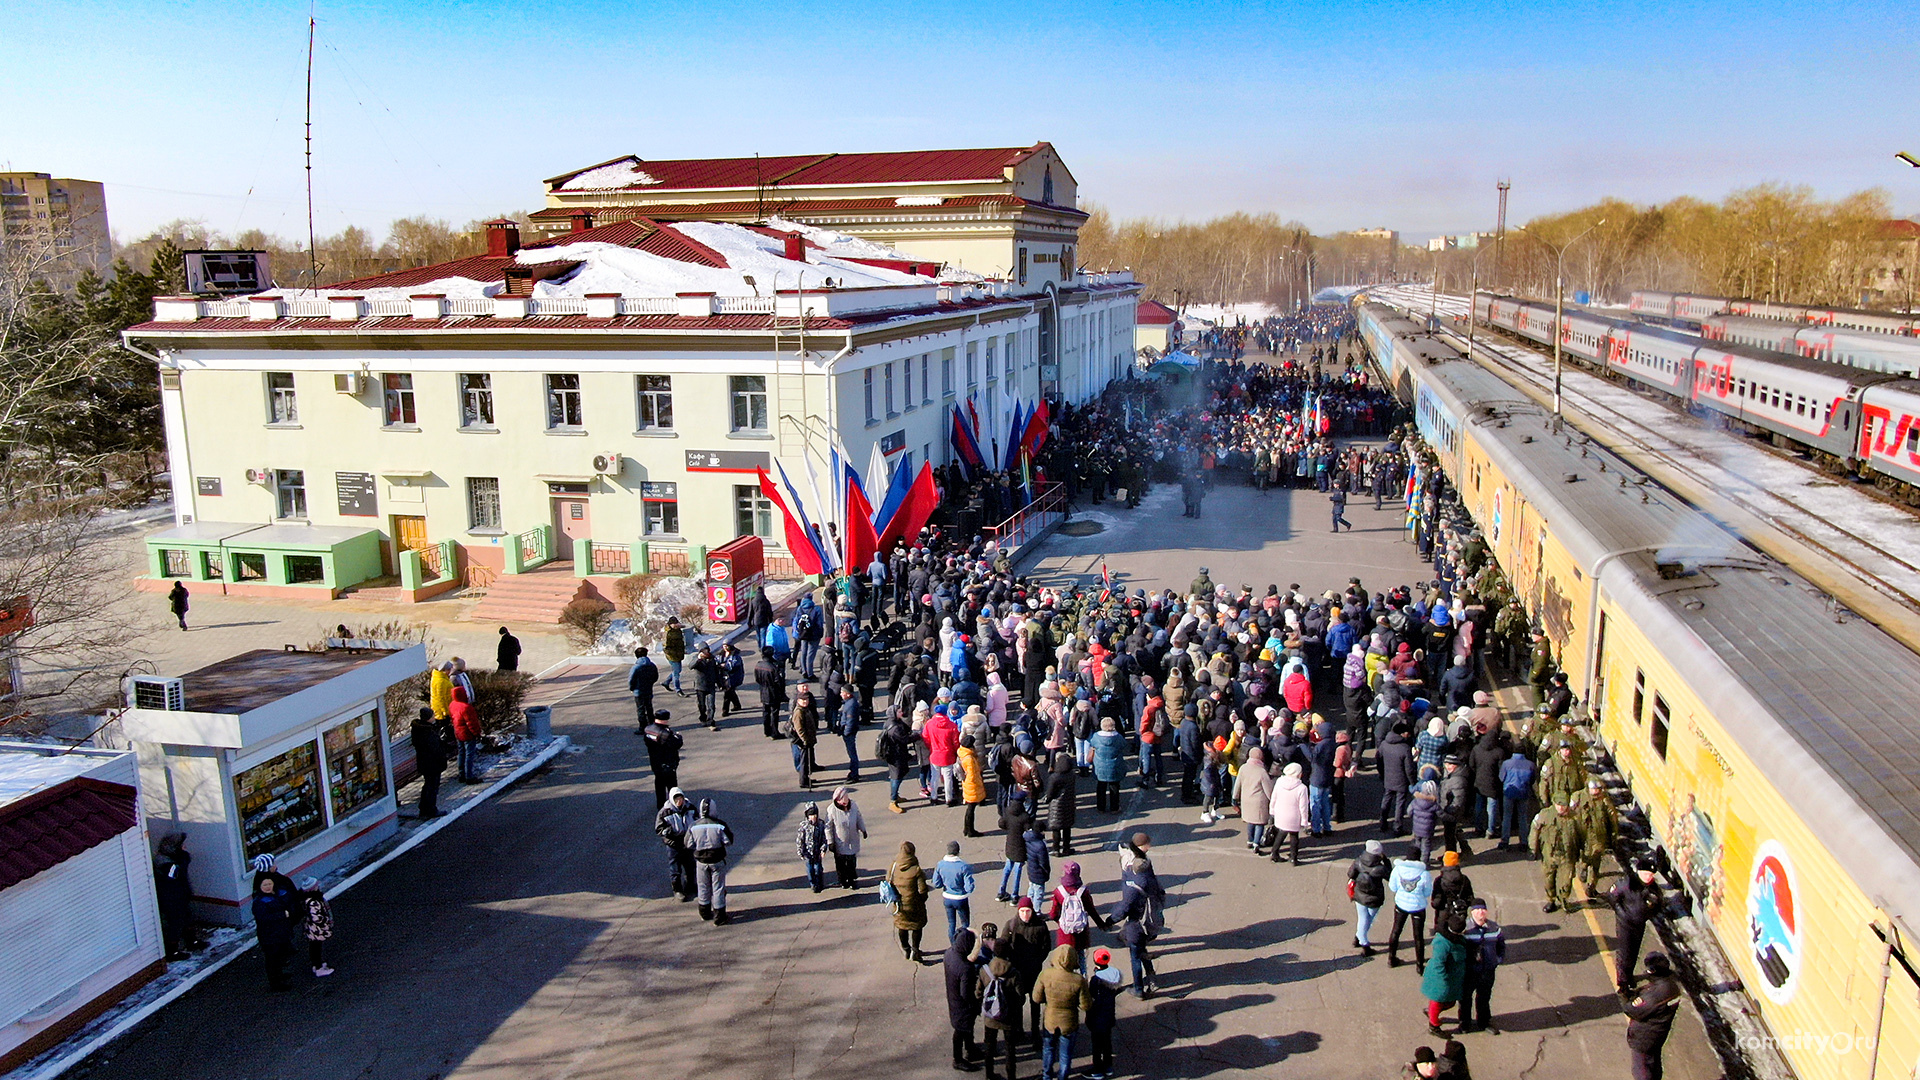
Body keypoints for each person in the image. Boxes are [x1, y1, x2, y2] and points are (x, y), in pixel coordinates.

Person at [1031, 945, 1091, 1080]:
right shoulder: (1078, 980)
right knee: (1065, 1055)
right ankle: (1062, 1077)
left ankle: (1047, 1076)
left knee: (1048, 1049)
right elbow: (1086, 1005)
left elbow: (1036, 998)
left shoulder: (1046, 974)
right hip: (1069, 1022)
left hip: (1050, 1020)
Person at [1608, 857, 1664, 991]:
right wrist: (1622, 913)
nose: (1649, 877)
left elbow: (1659, 906)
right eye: (1646, 874)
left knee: (1634, 953)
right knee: (1624, 954)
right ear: (1639, 872)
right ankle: (1622, 983)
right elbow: (1612, 896)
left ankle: (1629, 975)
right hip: (1625, 924)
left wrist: (1647, 915)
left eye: (1651, 875)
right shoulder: (1628, 883)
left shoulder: (1653, 890)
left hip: (1639, 924)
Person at [1624, 953, 1682, 1080]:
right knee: (1653, 1064)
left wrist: (1628, 998)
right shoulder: (1672, 984)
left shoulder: (1656, 994)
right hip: (1659, 1033)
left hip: (1645, 1036)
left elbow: (1632, 1010)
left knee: (1641, 1070)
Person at [1110, 857, 1161, 998]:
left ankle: (1139, 989)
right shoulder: (1151, 882)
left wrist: (1110, 920)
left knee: (1135, 957)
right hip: (1148, 924)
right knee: (1142, 949)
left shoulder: (1135, 887)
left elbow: (1124, 908)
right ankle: (1151, 977)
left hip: (1135, 925)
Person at [978, 930, 1024, 1080]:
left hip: (990, 1015)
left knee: (989, 1046)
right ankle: (1011, 1076)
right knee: (1010, 1049)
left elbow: (978, 993)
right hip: (1008, 1015)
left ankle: (989, 1074)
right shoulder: (1014, 972)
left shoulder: (985, 970)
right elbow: (1020, 996)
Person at [1459, 899, 1506, 1033]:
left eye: (1483, 909)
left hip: (1487, 971)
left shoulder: (1494, 928)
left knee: (1484, 997)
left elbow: (1501, 945)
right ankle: (1465, 1023)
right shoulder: (1465, 929)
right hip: (1469, 971)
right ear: (1472, 912)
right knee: (1465, 998)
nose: (1481, 912)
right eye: (1477, 909)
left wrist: (1497, 960)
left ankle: (1484, 1022)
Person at [687, 797, 735, 924]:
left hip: (701, 862)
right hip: (717, 861)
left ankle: (704, 913)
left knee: (703, 887)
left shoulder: (693, 826)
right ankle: (719, 917)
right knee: (718, 888)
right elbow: (728, 841)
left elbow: (688, 843)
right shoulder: (720, 825)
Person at [1388, 843, 1433, 970]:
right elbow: (1427, 892)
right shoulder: (1424, 874)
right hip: (1417, 907)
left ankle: (1391, 958)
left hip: (1401, 905)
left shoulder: (1397, 870)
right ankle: (1419, 965)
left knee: (1396, 931)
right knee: (1418, 936)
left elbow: (1392, 887)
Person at [1529, 800, 1580, 913]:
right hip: (1549, 854)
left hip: (1567, 855)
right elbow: (1535, 829)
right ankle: (1551, 900)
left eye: (1564, 805)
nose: (1561, 808)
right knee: (1549, 879)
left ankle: (1564, 899)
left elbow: (1581, 834)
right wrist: (1533, 848)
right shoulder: (1545, 814)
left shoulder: (1575, 817)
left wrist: (1582, 852)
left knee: (1566, 880)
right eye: (1559, 805)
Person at [1423, 914, 1469, 1036]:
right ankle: (1434, 1025)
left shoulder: (1455, 938)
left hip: (1452, 978)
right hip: (1442, 979)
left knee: (1449, 1002)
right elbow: (1439, 963)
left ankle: (1432, 1012)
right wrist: (1443, 980)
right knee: (1438, 1001)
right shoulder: (1443, 943)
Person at [946, 926, 984, 1071]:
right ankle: (958, 1059)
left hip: (952, 998)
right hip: (962, 1005)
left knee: (965, 1027)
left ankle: (971, 1049)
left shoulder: (950, 953)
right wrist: (975, 1005)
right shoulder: (965, 967)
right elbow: (966, 993)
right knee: (961, 1029)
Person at [250, 871, 297, 990]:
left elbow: (289, 902)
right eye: (265, 885)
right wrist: (282, 914)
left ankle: (280, 975)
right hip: (269, 936)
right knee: (272, 959)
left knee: (280, 956)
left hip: (280, 933)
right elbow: (262, 918)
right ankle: (275, 983)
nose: (268, 887)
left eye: (269, 884)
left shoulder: (277, 894)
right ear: (260, 886)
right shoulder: (260, 901)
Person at [153, 833, 196, 960]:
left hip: (180, 895)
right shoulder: (163, 861)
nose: (184, 847)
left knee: (187, 916)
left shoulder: (173, 858)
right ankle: (172, 951)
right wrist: (183, 858)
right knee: (175, 923)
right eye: (181, 846)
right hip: (171, 898)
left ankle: (191, 941)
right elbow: (174, 874)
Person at [887, 841, 932, 961]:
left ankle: (906, 949)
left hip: (899, 904)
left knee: (902, 926)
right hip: (914, 904)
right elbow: (922, 889)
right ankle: (915, 949)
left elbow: (888, 881)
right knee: (917, 927)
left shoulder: (894, 866)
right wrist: (923, 899)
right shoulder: (916, 869)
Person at [1575, 779, 1619, 896]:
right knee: (1585, 857)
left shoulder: (1604, 800)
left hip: (1599, 838)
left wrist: (1614, 834)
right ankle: (1583, 868)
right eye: (1593, 789)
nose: (1595, 792)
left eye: (1597, 789)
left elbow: (1612, 816)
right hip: (1584, 836)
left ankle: (1591, 887)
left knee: (1596, 863)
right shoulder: (1579, 797)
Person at [1348, 838, 1391, 956]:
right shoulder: (1380, 868)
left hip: (1359, 895)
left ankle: (1358, 938)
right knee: (1368, 920)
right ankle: (1364, 944)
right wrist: (1387, 862)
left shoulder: (1358, 861)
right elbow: (1390, 877)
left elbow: (1350, 874)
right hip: (1374, 898)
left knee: (1362, 918)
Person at [1086, 947, 1123, 1079]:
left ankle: (1097, 1070)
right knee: (1107, 1042)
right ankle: (1108, 1066)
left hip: (1097, 1017)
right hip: (1109, 1015)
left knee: (1096, 1045)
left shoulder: (1096, 980)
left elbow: (1092, 995)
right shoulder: (1115, 974)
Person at [654, 787, 696, 901]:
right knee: (675, 868)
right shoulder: (664, 812)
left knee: (690, 865)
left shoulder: (690, 808)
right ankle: (677, 889)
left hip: (687, 842)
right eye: (676, 799)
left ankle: (690, 885)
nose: (679, 802)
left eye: (680, 799)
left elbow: (697, 820)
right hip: (673, 845)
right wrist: (667, 832)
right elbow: (659, 828)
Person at [933, 840, 978, 944]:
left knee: (951, 923)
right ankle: (966, 943)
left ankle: (953, 945)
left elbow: (936, 884)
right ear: (958, 851)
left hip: (947, 897)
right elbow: (969, 888)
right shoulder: (963, 866)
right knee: (965, 924)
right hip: (961, 898)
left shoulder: (940, 864)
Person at [825, 786, 867, 889]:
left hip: (852, 841)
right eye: (843, 802)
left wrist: (863, 829)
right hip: (840, 843)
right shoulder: (831, 810)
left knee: (852, 862)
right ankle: (843, 880)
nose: (846, 804)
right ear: (837, 800)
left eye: (846, 801)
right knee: (841, 864)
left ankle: (852, 879)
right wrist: (830, 842)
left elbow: (858, 818)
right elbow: (828, 827)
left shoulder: (853, 805)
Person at [409, 706, 448, 818]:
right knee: (432, 787)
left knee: (428, 786)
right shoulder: (427, 732)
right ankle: (430, 809)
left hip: (424, 763)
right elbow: (435, 748)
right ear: (428, 718)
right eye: (432, 716)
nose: (434, 717)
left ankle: (424, 808)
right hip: (432, 764)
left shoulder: (418, 729)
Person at [1268, 761, 1310, 865]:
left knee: (1281, 833)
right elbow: (1303, 807)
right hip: (1294, 816)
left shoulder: (1279, 782)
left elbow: (1274, 797)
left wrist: (1272, 811)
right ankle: (1293, 858)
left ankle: (1274, 853)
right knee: (1294, 836)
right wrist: (1305, 821)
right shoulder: (1302, 788)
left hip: (1280, 813)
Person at [1378, 722, 1417, 834]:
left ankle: (1383, 822)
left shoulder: (1384, 744)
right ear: (1402, 733)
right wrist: (1412, 782)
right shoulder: (1405, 748)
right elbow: (1409, 769)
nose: (1408, 735)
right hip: (1401, 780)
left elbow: (1379, 760)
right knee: (1400, 803)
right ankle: (1397, 827)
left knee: (1387, 799)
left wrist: (1382, 774)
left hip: (1388, 778)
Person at [997, 791, 1033, 902]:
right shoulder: (1024, 816)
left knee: (1007, 868)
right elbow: (1028, 831)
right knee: (1017, 870)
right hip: (1020, 846)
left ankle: (1001, 892)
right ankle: (1014, 895)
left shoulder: (1008, 811)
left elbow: (1001, 823)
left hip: (1010, 843)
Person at [642, 711, 681, 809]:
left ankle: (660, 806)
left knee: (659, 784)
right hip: (667, 763)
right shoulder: (665, 733)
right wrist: (678, 736)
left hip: (655, 762)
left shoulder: (648, 729)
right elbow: (677, 744)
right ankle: (674, 805)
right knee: (672, 786)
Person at [297, 876, 336, 977]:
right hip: (317, 930)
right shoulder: (314, 901)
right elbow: (317, 917)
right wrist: (326, 921)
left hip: (311, 929)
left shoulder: (307, 899)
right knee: (317, 948)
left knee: (314, 947)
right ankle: (319, 968)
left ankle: (316, 965)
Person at [880, 709, 916, 813]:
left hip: (896, 754)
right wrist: (917, 736)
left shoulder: (892, 722)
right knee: (896, 776)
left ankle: (895, 796)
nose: (902, 713)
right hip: (896, 755)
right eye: (899, 711)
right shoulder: (895, 727)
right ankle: (893, 801)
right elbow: (905, 739)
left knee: (899, 774)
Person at [1044, 751, 1079, 857]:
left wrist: (1047, 799)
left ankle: (1056, 848)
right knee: (1067, 827)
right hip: (1068, 803)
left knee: (1056, 828)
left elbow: (1050, 793)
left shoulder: (1055, 777)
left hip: (1056, 804)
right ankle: (1066, 848)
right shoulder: (1071, 775)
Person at [1089, 717, 1127, 814]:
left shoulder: (1096, 737)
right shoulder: (1118, 737)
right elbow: (1123, 745)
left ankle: (1100, 807)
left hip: (1100, 766)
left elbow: (1092, 744)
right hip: (1114, 765)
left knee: (1101, 786)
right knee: (1114, 786)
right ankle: (1114, 807)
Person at [448, 682, 482, 783]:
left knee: (461, 753)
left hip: (458, 732)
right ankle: (469, 777)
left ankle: (461, 774)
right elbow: (471, 723)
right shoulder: (466, 708)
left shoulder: (452, 705)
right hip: (467, 734)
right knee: (469, 755)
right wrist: (477, 733)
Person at [959, 733, 990, 837]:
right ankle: (970, 830)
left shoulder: (962, 752)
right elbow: (972, 774)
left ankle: (966, 829)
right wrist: (978, 783)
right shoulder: (969, 758)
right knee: (971, 809)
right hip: (972, 785)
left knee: (970, 808)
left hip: (967, 783)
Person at [790, 685, 820, 789]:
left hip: (808, 740)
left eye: (806, 699)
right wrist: (805, 740)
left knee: (807, 761)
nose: (805, 702)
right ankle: (803, 781)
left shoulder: (805, 709)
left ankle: (806, 778)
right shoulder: (798, 712)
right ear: (798, 700)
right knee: (803, 762)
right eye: (803, 700)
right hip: (802, 742)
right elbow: (799, 729)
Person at [755, 650, 788, 739]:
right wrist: (781, 692)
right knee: (774, 713)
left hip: (763, 691)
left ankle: (767, 731)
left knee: (766, 712)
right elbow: (778, 682)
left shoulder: (758, 665)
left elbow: (757, 679)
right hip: (773, 692)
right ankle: (774, 732)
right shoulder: (773, 668)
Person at [797, 803, 830, 892]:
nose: (813, 817)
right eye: (811, 815)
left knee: (818, 869)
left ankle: (820, 882)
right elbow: (800, 839)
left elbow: (824, 838)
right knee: (810, 870)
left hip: (817, 852)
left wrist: (823, 849)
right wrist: (800, 851)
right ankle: (813, 884)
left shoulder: (820, 824)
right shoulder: (804, 826)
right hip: (807, 853)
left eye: (815, 814)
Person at [627, 647, 659, 733]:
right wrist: (650, 683)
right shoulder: (652, 665)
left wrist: (632, 688)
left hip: (638, 691)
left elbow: (631, 679)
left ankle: (642, 727)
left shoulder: (636, 667)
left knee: (641, 709)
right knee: (649, 707)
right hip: (648, 689)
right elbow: (655, 677)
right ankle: (652, 725)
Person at [691, 644, 722, 729]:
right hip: (700, 686)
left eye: (707, 651)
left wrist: (719, 683)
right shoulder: (696, 659)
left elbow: (716, 672)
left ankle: (710, 720)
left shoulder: (712, 659)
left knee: (711, 705)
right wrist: (699, 659)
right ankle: (703, 718)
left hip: (711, 686)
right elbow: (690, 666)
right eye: (704, 651)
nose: (706, 653)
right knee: (702, 705)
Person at [663, 617, 686, 693]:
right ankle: (678, 689)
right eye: (674, 624)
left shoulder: (677, 630)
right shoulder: (668, 633)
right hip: (672, 656)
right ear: (670, 624)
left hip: (678, 654)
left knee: (677, 670)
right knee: (676, 673)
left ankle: (666, 682)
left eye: (677, 623)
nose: (676, 625)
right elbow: (665, 646)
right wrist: (672, 653)